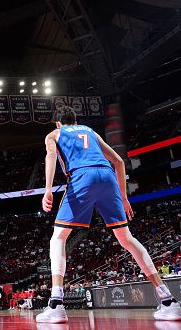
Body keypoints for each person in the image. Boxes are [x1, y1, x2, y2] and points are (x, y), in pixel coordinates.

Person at [36, 106, 181, 323]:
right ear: (75, 121)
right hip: (107, 177)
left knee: (58, 237)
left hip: (82, 177)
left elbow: (50, 156)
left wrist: (47, 189)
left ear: (58, 123)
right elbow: (119, 162)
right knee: (126, 239)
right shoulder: (91, 132)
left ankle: (56, 304)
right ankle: (168, 301)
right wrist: (123, 198)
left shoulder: (54, 134)